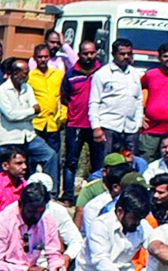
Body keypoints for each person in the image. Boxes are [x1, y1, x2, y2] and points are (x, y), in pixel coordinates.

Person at [73, 183, 153, 271]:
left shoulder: (141, 225)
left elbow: (154, 245)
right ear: (120, 211)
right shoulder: (100, 224)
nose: (137, 222)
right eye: (134, 218)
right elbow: (101, 260)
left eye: (140, 218)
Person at [0, 182, 72, 271]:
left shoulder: (47, 220)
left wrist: (55, 270)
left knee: (71, 267)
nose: (36, 215)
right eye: (31, 211)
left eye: (40, 210)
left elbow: (54, 254)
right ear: (21, 205)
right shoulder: (1, 222)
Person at [0, 58, 43, 184]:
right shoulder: (1, 91)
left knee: (49, 156)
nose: (28, 76)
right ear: (15, 74)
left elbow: (37, 109)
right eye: (25, 73)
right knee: (8, 173)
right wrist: (31, 111)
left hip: (27, 136)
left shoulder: (27, 88)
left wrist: (27, 112)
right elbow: (10, 115)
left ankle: (50, 193)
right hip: (8, 138)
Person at [88, 38, 143, 167]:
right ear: (113, 54)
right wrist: (96, 127)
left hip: (130, 128)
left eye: (129, 54)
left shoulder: (135, 74)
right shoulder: (102, 74)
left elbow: (139, 100)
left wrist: (138, 123)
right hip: (108, 127)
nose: (126, 57)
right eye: (122, 54)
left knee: (129, 164)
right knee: (106, 163)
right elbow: (94, 102)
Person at [26, 43, 69, 190]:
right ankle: (31, 188)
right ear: (35, 59)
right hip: (36, 123)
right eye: (40, 57)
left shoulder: (57, 75)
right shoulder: (30, 77)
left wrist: (63, 115)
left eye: (45, 57)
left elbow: (63, 97)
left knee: (54, 158)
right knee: (32, 158)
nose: (43, 60)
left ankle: (53, 190)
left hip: (53, 123)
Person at [61, 39, 101, 195]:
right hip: (76, 123)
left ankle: (96, 194)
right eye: (85, 53)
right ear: (79, 55)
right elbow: (64, 96)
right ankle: (68, 195)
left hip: (96, 124)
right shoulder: (71, 73)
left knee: (98, 162)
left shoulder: (103, 72)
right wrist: (74, 106)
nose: (89, 56)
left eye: (92, 53)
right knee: (71, 161)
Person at [137, 44, 168, 160]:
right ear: (159, 58)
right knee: (146, 161)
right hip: (150, 129)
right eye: (166, 56)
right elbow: (135, 92)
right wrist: (139, 115)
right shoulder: (151, 75)